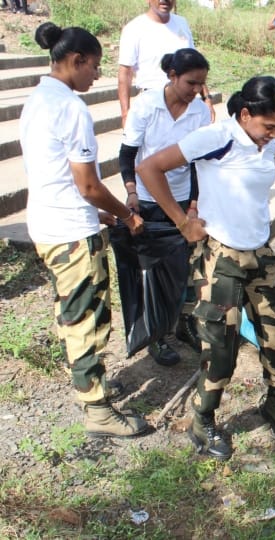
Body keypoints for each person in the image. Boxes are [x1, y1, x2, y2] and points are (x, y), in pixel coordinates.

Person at [136, 76, 275, 460]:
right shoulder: (217, 136)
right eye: (269, 127)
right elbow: (150, 168)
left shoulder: (265, 144)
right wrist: (183, 221)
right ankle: (203, 419)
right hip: (219, 257)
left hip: (260, 253)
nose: (273, 136)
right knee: (220, 348)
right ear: (245, 114)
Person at [19, 22, 148, 438]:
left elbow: (59, 177)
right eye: (94, 66)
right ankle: (97, 410)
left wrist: (100, 215)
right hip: (71, 232)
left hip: (50, 221)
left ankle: (91, 382)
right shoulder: (71, 108)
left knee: (70, 312)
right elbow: (88, 185)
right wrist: (126, 216)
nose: (97, 76)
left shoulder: (38, 99)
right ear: (75, 61)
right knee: (86, 319)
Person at [119, 48, 213, 365]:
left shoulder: (199, 111)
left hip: (182, 196)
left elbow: (197, 162)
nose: (196, 90)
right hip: (148, 198)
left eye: (201, 84)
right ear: (172, 76)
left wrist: (194, 205)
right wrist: (131, 192)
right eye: (191, 83)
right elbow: (127, 155)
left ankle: (185, 322)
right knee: (154, 272)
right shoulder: (146, 105)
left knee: (187, 267)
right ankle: (157, 336)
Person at [118, 0, 214, 127]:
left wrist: (206, 98)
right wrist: (125, 113)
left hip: (185, 105)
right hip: (152, 105)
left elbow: (195, 65)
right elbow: (125, 74)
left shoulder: (182, 24)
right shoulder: (134, 29)